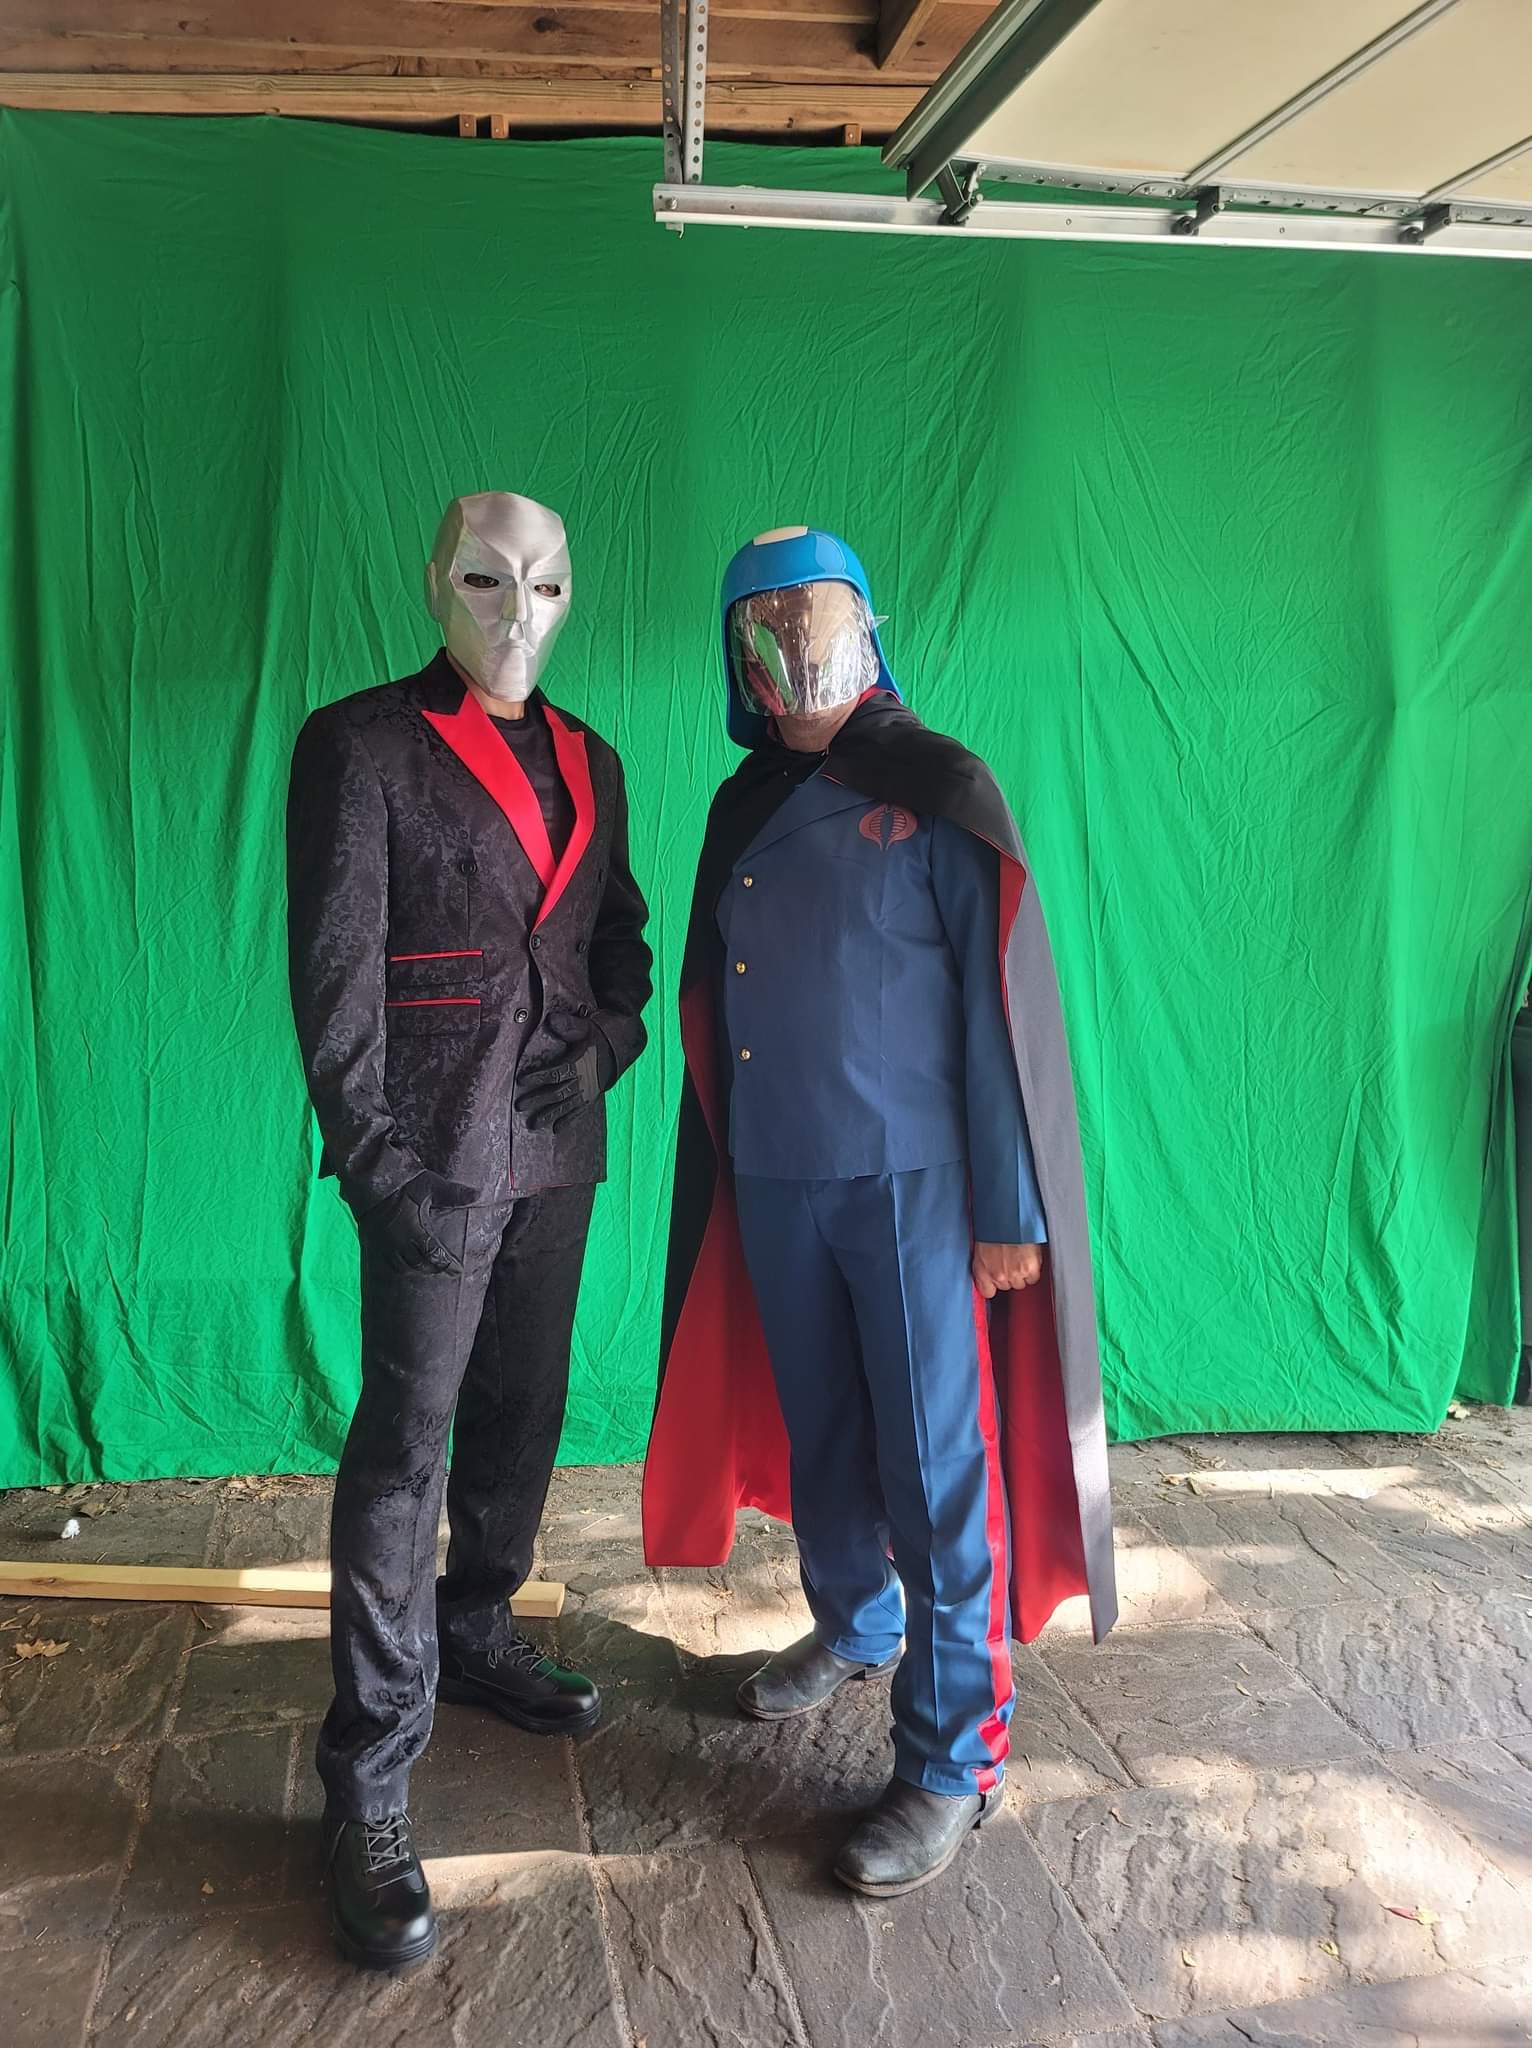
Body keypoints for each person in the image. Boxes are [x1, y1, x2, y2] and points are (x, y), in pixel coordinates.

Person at [643, 525, 1116, 1897]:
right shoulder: (741, 804)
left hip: (916, 1185)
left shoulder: (940, 783)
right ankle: (854, 1621)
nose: (798, 649)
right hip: (778, 1173)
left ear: (866, 625)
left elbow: (997, 1007)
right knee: (828, 1431)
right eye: (769, 627)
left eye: (821, 617)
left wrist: (1008, 1206)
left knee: (935, 1465)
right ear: (738, 656)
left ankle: (955, 1757)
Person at [287, 490, 651, 1969]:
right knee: (403, 1449)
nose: (518, 611)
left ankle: (480, 1627)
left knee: (525, 1409)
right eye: (489, 579)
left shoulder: (594, 759)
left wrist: (611, 1040)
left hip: (556, 1147)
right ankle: (369, 1775)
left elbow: (618, 933)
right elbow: (332, 971)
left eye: (546, 584)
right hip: (430, 1157)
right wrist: (378, 1165)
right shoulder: (361, 745)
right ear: (437, 582)